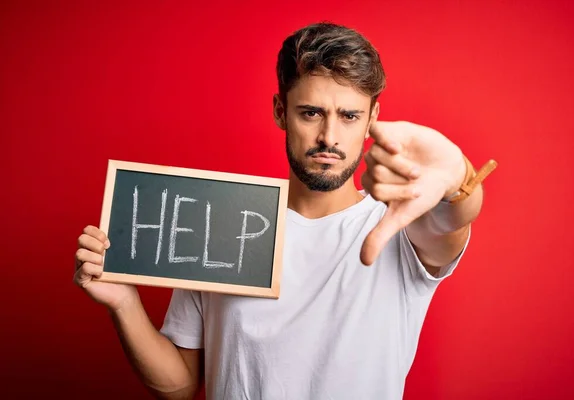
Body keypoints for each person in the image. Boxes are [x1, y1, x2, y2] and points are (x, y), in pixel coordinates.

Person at [73, 22, 496, 400]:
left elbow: (453, 218)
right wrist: (124, 304)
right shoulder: (218, 220)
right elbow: (181, 383)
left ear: (372, 120)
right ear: (281, 111)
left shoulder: (400, 227)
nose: (329, 136)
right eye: (311, 113)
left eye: (349, 116)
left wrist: (457, 176)